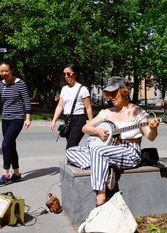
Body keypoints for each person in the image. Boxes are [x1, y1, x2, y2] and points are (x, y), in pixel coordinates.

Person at [66, 77, 159, 206]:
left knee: (98, 151)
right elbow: (85, 127)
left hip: (129, 150)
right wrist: (97, 132)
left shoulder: (137, 112)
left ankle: (101, 196)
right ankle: (106, 166)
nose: (111, 97)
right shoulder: (107, 112)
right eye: (109, 94)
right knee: (71, 151)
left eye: (114, 93)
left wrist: (153, 128)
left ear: (124, 92)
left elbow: (151, 136)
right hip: (108, 149)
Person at [0, 60, 32, 187]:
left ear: (11, 70)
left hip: (17, 119)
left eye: (6, 71)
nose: (3, 73)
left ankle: (6, 174)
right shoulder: (0, 85)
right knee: (11, 146)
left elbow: (27, 101)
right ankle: (16, 174)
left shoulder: (20, 84)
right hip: (5, 119)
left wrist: (28, 118)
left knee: (5, 144)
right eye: (1, 71)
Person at [50, 63, 93, 150]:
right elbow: (60, 106)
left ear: (75, 74)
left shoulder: (83, 89)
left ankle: (73, 162)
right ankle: (79, 161)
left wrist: (92, 123)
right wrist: (54, 120)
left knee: (70, 147)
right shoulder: (64, 89)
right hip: (67, 120)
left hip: (78, 120)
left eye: (68, 74)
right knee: (72, 148)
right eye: (64, 74)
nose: (66, 76)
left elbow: (88, 108)